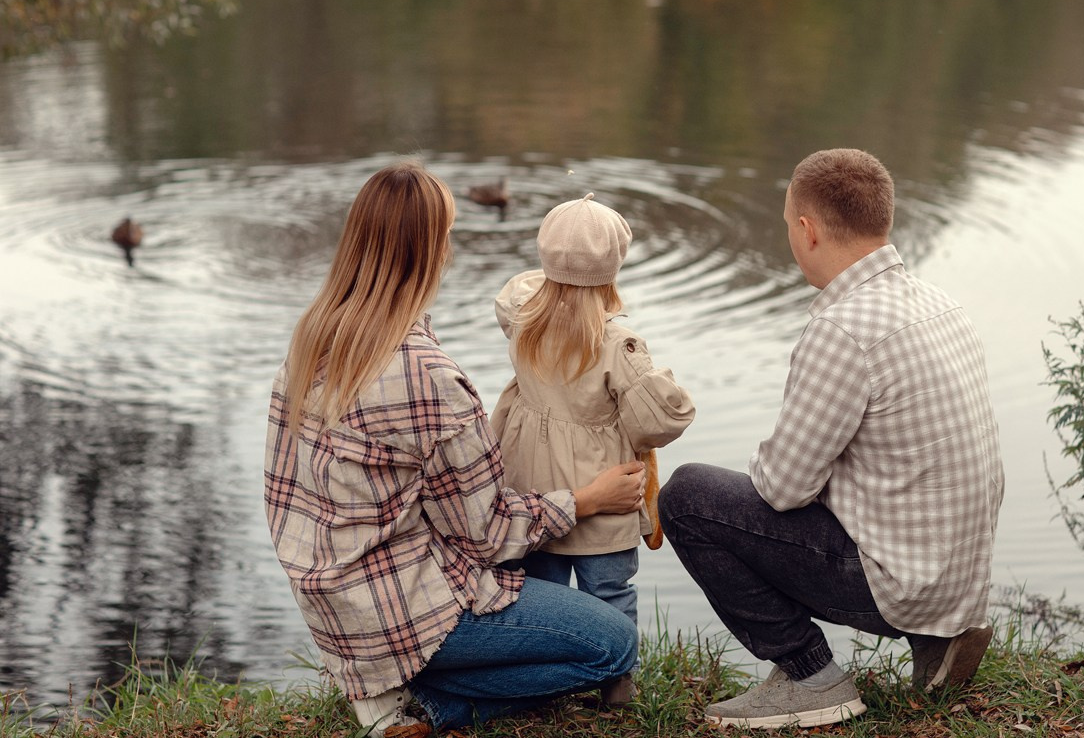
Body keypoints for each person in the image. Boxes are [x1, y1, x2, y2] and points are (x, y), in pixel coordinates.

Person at [263, 163, 647, 738]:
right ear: (428, 253)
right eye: (446, 235)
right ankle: (429, 702)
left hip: (333, 611)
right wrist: (587, 499)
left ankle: (390, 684)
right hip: (404, 615)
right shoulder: (428, 376)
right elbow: (487, 534)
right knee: (613, 646)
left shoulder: (313, 337)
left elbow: (282, 494)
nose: (450, 248)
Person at [658, 148, 1005, 730]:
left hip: (900, 584)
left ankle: (810, 676)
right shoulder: (941, 304)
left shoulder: (843, 328)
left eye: (786, 227)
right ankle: (937, 638)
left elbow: (782, 489)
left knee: (688, 497)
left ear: (807, 229)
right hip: (958, 582)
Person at [491, 193, 696, 703]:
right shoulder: (616, 344)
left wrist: (557, 275)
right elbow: (661, 421)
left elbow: (521, 287)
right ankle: (616, 683)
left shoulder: (521, 318)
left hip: (534, 488)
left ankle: (548, 678)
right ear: (613, 270)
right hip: (604, 492)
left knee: (542, 594)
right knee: (609, 592)